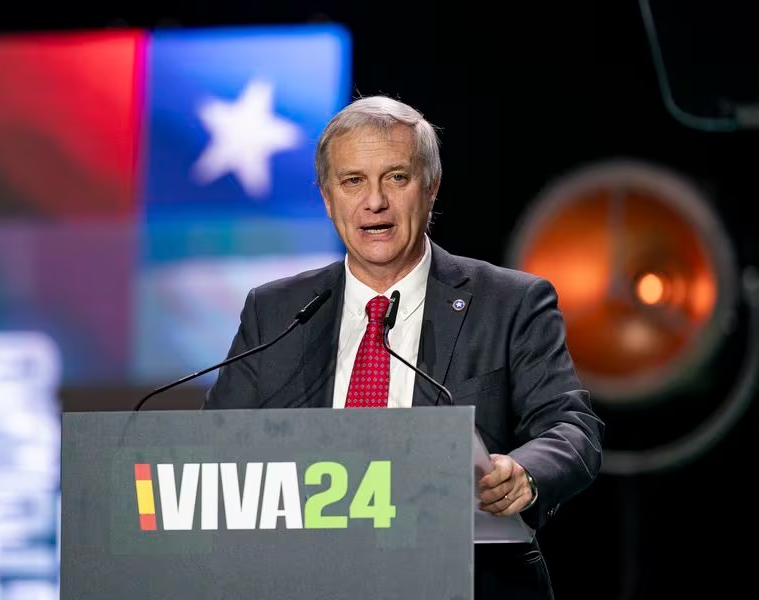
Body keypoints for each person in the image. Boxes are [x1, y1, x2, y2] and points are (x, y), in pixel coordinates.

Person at [204, 94, 604, 599]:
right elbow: (212, 451)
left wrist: (525, 472)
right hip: (304, 579)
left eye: (396, 177)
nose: (374, 201)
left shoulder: (510, 303)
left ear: (431, 187)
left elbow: (572, 427)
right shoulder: (275, 311)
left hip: (464, 579)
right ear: (327, 198)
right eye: (352, 181)